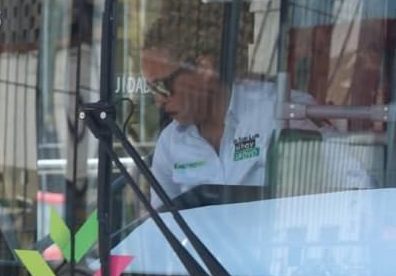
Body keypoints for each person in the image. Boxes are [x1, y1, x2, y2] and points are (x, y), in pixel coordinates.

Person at [139, 19, 364, 206]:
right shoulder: (170, 143)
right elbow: (162, 227)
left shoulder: (279, 111)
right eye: (152, 89)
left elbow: (359, 187)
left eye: (163, 86)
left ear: (204, 69)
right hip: (203, 260)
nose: (158, 100)